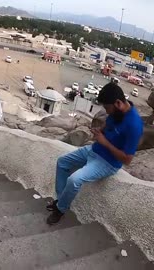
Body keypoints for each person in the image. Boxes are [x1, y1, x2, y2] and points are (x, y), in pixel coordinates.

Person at [46, 83, 144, 225]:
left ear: (118, 103)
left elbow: (127, 159)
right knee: (62, 162)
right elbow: (108, 123)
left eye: (107, 108)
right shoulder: (117, 112)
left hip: (107, 163)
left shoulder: (134, 125)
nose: (106, 111)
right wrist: (100, 131)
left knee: (74, 180)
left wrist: (105, 142)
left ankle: (60, 209)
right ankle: (61, 199)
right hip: (94, 150)